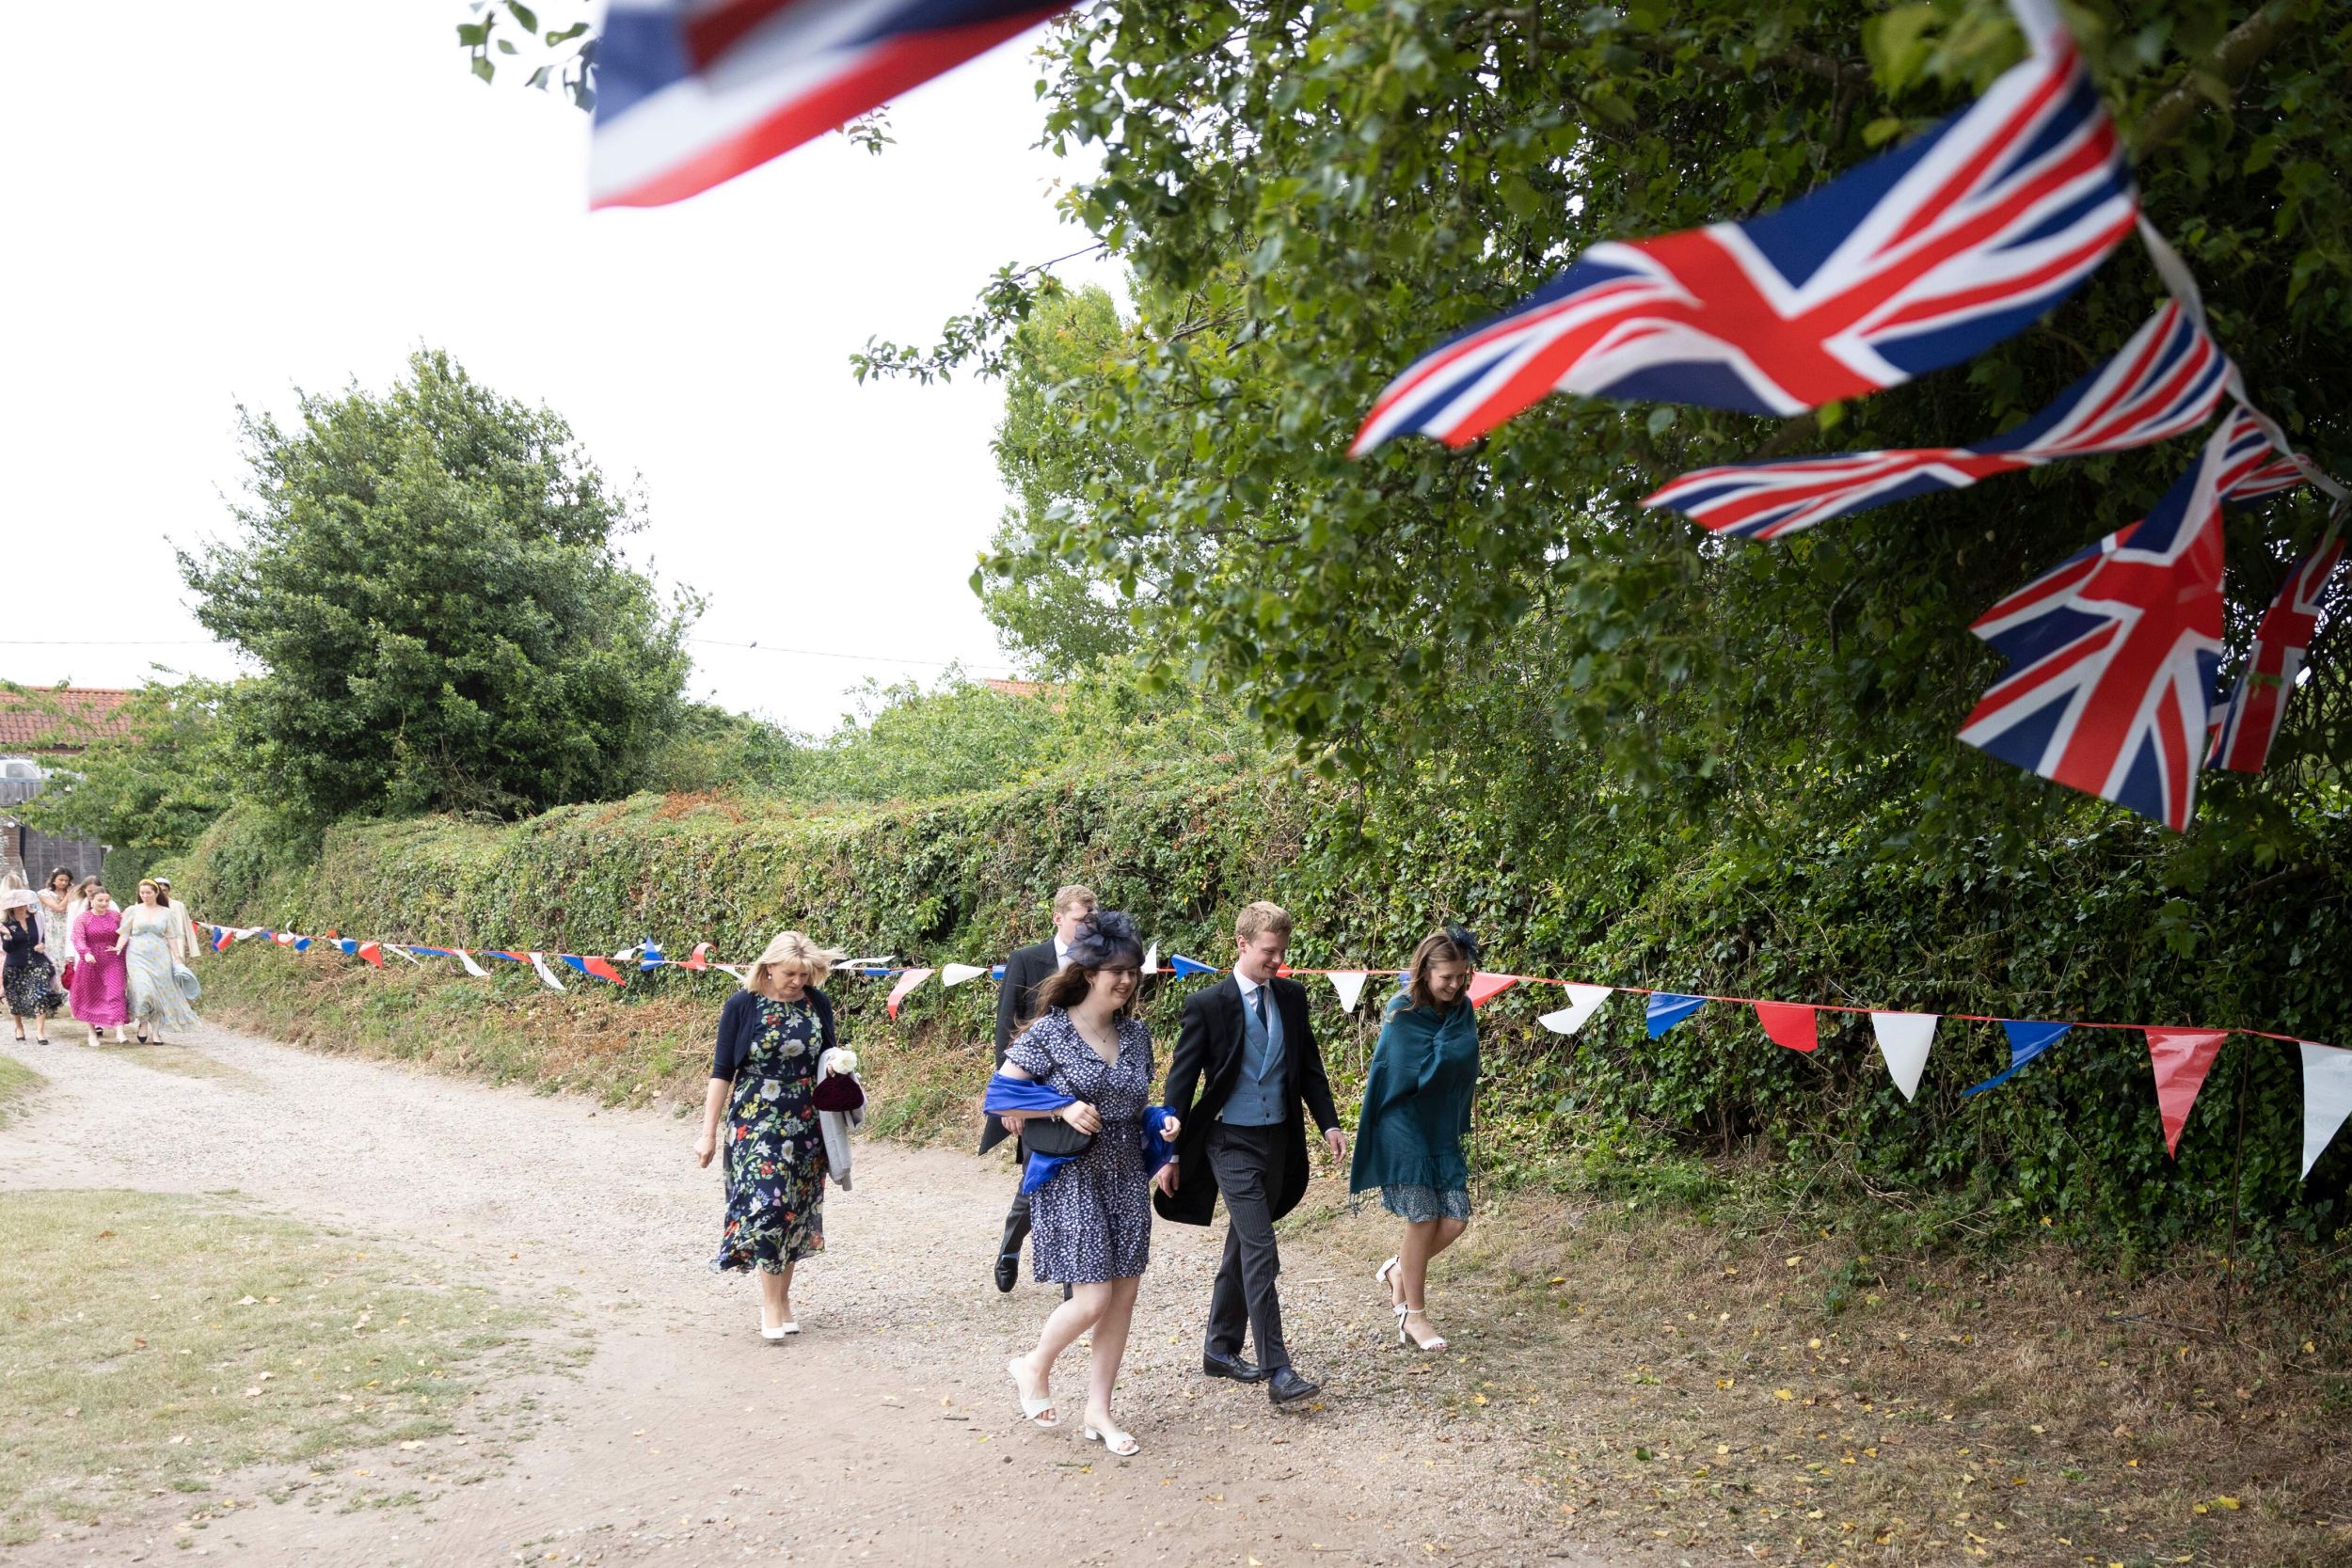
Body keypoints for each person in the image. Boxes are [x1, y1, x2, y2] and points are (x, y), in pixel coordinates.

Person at [993, 911, 1171, 1456]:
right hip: (1071, 1176)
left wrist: (1160, 1122)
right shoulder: (1049, 1031)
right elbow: (1000, 1097)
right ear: (1089, 971)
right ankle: (1032, 1365)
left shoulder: (1137, 1035)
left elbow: (1130, 1106)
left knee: (1121, 1299)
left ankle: (1099, 1410)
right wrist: (1062, 1104)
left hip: (1124, 1174)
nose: (1126, 980)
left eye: (1133, 972)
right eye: (1116, 970)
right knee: (1092, 1297)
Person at [1156, 900, 1344, 1407]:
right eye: (1268, 951)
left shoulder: (1291, 996)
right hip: (1227, 1141)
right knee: (1262, 1250)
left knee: (1244, 1240)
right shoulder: (1208, 1005)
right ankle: (1278, 1369)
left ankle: (1219, 1349)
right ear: (1241, 945)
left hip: (1278, 1140)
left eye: (1282, 952)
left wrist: (1328, 1122)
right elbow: (1182, 1080)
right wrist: (1168, 1153)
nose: (1277, 961)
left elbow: (1308, 1066)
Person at [694, 929, 848, 1340]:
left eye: (804, 974)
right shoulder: (742, 1005)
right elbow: (722, 1071)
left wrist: (838, 1066)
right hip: (755, 1119)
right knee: (769, 1207)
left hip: (806, 1119)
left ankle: (783, 1301)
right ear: (767, 967)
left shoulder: (817, 1003)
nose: (797, 982)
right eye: (789, 974)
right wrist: (707, 1133)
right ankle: (769, 1304)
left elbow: (827, 1054)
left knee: (795, 1211)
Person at [1351, 927, 1481, 1353]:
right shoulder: (1401, 1010)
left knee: (1456, 1218)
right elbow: (1404, 1070)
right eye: (1447, 977)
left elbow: (1464, 1062)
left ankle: (1399, 1270)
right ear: (1425, 970)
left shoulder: (1462, 1010)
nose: (1455, 985)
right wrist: (1448, 1051)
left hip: (1440, 1124)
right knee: (1423, 1218)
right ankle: (1414, 1316)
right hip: (1401, 1121)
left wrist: (1451, 1050)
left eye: (1462, 976)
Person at [986, 883, 1098, 1292]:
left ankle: (1073, 1283)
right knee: (1039, 1177)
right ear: (1058, 918)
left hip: (1086, 1089)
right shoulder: (1027, 960)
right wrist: (1011, 1102)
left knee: (1078, 1177)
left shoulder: (1097, 962)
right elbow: (1005, 1030)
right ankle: (1011, 1247)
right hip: (1035, 1092)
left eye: (1092, 919)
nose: (1087, 926)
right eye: (1080, 919)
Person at [118, 879, 198, 1044]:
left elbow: (171, 936)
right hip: (137, 955)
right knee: (143, 990)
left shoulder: (167, 912)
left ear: (156, 893)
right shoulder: (133, 910)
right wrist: (118, 948)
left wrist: (176, 955)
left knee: (158, 992)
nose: (145, 896)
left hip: (160, 955)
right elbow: (125, 932)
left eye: (148, 892)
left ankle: (156, 1032)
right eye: (142, 893)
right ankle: (143, 1022)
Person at [71, 887, 130, 1044]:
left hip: (113, 960)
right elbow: (77, 938)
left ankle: (120, 1031)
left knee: (116, 992)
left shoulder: (116, 916)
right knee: (91, 996)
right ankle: (92, 1033)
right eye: (100, 900)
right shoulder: (83, 918)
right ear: (92, 901)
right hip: (91, 962)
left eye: (107, 901)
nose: (104, 903)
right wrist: (86, 952)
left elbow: (126, 933)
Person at [2, 891, 58, 1042]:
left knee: (40, 995)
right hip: (15, 966)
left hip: (37, 963)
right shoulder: (6, 923)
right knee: (15, 999)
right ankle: (19, 1027)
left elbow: (43, 937)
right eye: (17, 905)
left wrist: (42, 944)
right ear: (11, 908)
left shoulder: (37, 917)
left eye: (23, 904)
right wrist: (7, 935)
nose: (21, 907)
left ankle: (40, 1032)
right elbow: (8, 949)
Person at [153, 878, 201, 960]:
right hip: (155, 944)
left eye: (164, 890)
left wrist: (193, 949)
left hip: (177, 942)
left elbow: (188, 927)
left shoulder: (178, 906)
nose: (162, 893)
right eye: (159, 890)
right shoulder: (148, 907)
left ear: (168, 891)